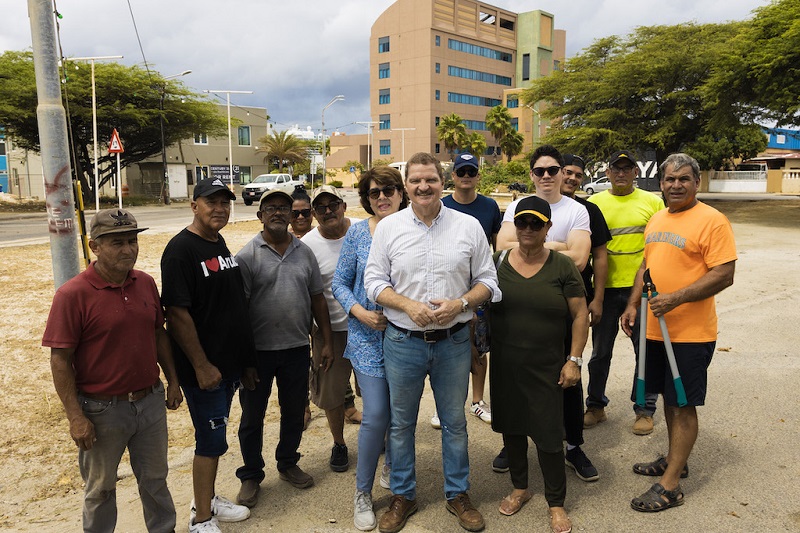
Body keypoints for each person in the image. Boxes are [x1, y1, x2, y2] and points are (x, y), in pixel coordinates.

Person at [364, 152, 500, 533]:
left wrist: (460, 303)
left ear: (443, 182)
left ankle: (457, 493)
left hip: (454, 341)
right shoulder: (389, 228)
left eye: (431, 180)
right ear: (406, 186)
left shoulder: (468, 226)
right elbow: (373, 283)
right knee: (402, 422)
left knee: (455, 422)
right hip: (402, 341)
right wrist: (406, 304)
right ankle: (403, 495)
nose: (424, 187)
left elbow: (489, 282)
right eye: (416, 181)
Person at [43, 208, 182, 533]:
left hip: (149, 403)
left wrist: (173, 380)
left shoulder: (145, 283)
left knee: (155, 479)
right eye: (117, 242)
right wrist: (76, 417)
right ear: (94, 246)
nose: (128, 249)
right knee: (100, 488)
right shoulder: (72, 295)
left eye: (132, 241)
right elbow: (60, 359)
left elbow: (158, 333)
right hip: (101, 410)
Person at [621, 153, 736, 512]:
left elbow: (724, 273)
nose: (675, 185)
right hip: (655, 331)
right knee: (669, 399)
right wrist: (632, 304)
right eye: (669, 179)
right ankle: (676, 460)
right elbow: (647, 264)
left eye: (683, 179)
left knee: (683, 404)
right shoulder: (656, 217)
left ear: (696, 182)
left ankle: (670, 486)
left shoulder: (712, 221)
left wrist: (675, 299)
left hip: (690, 334)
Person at [161, 178, 257, 533]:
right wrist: (201, 365)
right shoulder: (180, 250)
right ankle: (201, 518)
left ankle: (210, 499)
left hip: (226, 367)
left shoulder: (217, 242)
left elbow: (229, 307)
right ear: (194, 205)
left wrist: (243, 362)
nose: (220, 208)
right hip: (205, 370)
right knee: (210, 440)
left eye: (225, 203)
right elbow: (177, 313)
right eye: (211, 202)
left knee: (215, 438)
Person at [491, 145, 592, 478]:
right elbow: (502, 247)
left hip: (560, 308)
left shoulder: (577, 210)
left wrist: (536, 247)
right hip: (522, 308)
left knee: (566, 381)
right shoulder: (517, 207)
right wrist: (558, 245)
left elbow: (579, 260)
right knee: (518, 381)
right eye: (539, 171)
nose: (546, 176)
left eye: (553, 170)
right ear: (531, 174)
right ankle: (514, 443)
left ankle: (572, 446)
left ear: (563, 172)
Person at [490, 196, 588, 533]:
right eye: (522, 223)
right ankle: (520, 488)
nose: (528, 229)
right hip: (505, 365)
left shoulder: (563, 266)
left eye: (536, 223)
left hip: (547, 367)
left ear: (548, 228)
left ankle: (556, 503)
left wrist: (573, 360)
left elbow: (580, 315)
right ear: (514, 226)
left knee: (548, 436)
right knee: (513, 430)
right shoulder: (498, 261)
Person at [234, 189, 333, 508]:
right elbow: (239, 311)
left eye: (284, 208)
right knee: (252, 416)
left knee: (293, 413)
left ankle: (288, 462)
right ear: (259, 216)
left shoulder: (304, 253)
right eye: (270, 208)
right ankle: (250, 474)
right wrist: (245, 359)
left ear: (293, 215)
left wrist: (327, 341)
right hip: (258, 355)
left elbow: (318, 298)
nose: (278, 212)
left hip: (295, 349)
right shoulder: (246, 256)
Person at [332, 166, 408, 531]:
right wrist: (360, 312)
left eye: (389, 189)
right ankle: (362, 492)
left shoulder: (414, 228)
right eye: (375, 192)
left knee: (399, 413)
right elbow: (339, 283)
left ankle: (393, 468)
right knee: (376, 414)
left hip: (406, 338)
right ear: (366, 198)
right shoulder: (358, 233)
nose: (382, 197)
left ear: (401, 192)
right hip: (367, 339)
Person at [584, 150, 665, 436]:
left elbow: (658, 247)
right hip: (604, 290)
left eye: (627, 168)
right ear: (607, 173)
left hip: (641, 290)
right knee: (600, 353)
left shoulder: (653, 202)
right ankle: (595, 406)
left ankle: (644, 409)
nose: (621, 173)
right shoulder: (594, 203)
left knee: (645, 352)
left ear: (635, 172)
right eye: (616, 169)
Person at [558, 153, 612, 482]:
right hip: (532, 306)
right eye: (567, 172)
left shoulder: (589, 211)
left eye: (578, 174)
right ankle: (515, 442)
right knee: (526, 374)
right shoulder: (530, 206)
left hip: (575, 301)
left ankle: (574, 446)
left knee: (571, 370)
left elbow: (598, 255)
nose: (573, 178)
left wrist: (599, 298)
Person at [439, 152, 502, 427]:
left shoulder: (489, 207)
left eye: (470, 172)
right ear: (452, 175)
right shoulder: (440, 205)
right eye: (461, 172)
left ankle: (477, 401)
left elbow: (497, 246)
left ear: (478, 176)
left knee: (478, 347)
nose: (466, 177)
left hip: (477, 288)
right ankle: (445, 404)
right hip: (446, 287)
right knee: (445, 349)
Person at [302, 185, 355, 472]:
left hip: (369, 326)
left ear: (343, 205)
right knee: (331, 392)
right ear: (314, 214)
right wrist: (320, 339)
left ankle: (381, 437)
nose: (328, 211)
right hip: (330, 331)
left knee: (376, 389)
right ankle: (339, 444)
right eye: (320, 208)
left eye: (332, 204)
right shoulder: (308, 245)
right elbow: (313, 294)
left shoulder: (363, 230)